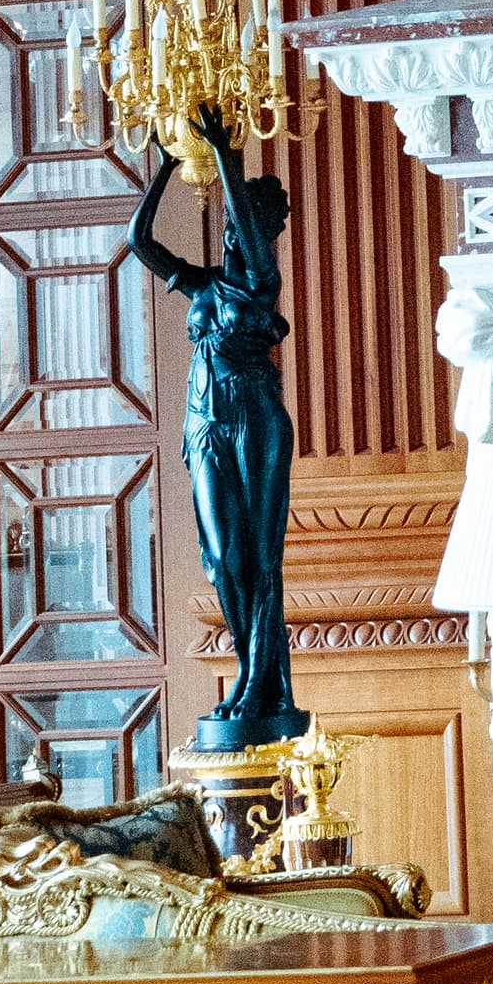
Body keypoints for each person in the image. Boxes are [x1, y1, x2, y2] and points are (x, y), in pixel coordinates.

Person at [130, 120, 303, 753]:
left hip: (255, 420)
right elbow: (138, 241)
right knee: (222, 559)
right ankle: (257, 677)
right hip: (203, 424)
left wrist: (228, 155)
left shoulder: (261, 280)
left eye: (246, 225)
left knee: (261, 558)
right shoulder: (204, 284)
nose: (234, 232)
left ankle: (260, 684)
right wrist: (169, 163)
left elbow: (250, 231)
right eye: (232, 225)